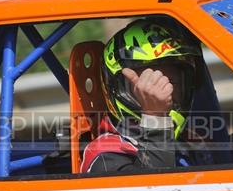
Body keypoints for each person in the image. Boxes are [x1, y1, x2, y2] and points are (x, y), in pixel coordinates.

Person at [80, 16, 211, 173]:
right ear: (118, 88)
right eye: (147, 84)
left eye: (172, 81)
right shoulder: (106, 158)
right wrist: (156, 117)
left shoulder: (189, 140)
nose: (163, 94)